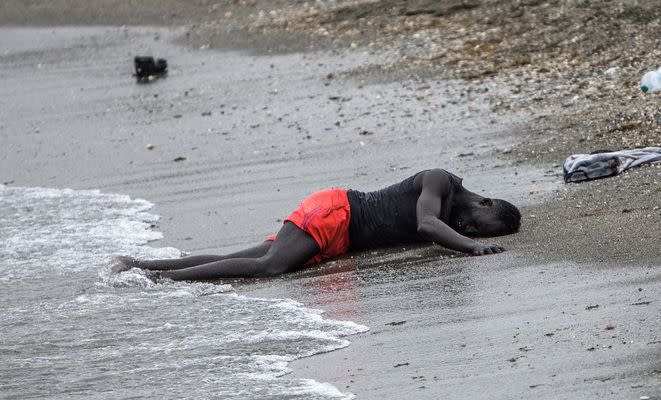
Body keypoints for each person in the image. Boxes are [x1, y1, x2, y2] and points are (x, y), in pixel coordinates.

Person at [111, 169, 521, 281]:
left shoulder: (454, 216)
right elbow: (427, 224)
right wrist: (471, 250)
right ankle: (153, 278)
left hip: (338, 234)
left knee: (247, 257)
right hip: (336, 212)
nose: (472, 231)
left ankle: (138, 265)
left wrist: (468, 242)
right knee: (270, 266)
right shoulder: (439, 181)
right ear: (485, 203)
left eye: (477, 235)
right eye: (481, 227)